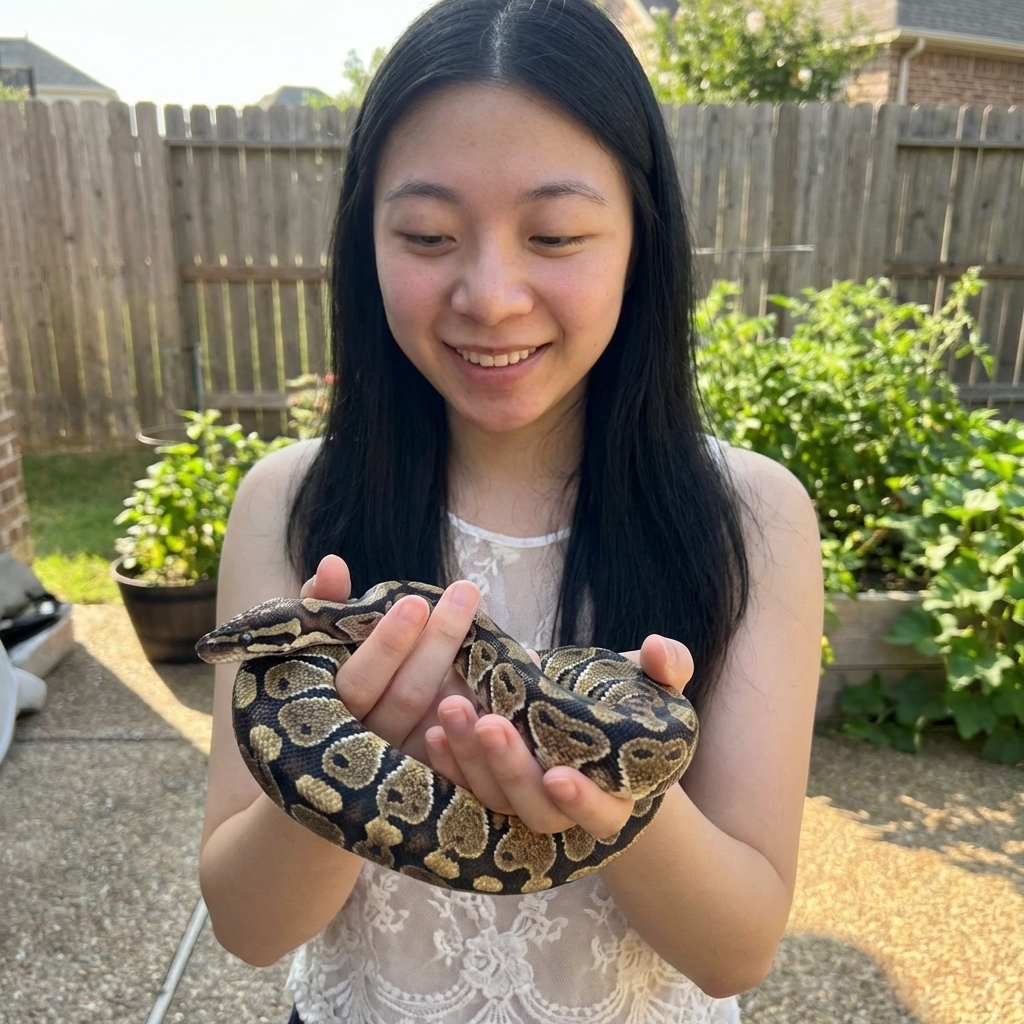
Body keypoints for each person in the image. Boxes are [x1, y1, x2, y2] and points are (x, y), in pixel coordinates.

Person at [198, 1, 823, 1021]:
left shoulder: (749, 515)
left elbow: (736, 948)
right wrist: (354, 753)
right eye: (430, 234)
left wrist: (604, 799)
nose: (490, 294)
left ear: (641, 240)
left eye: (555, 233)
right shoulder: (288, 503)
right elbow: (248, 925)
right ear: (367, 242)